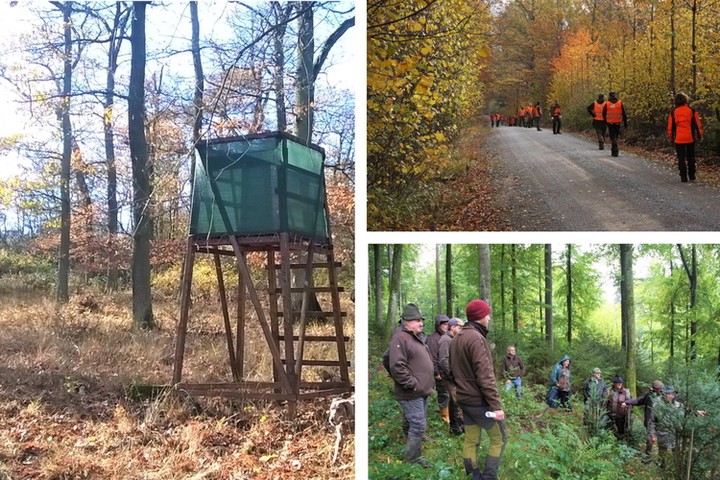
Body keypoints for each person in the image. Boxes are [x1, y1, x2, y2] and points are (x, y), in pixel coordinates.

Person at [450, 300, 507, 480]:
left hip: (464, 400)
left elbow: (450, 371)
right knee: (499, 439)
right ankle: (489, 476)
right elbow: (485, 376)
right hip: (479, 402)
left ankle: (472, 475)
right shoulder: (476, 339)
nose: (489, 318)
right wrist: (496, 406)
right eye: (487, 314)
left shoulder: (457, 337)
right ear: (479, 317)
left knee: (471, 440)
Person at [387, 303, 435, 466]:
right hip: (412, 391)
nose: (420, 323)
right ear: (406, 322)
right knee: (418, 424)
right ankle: (413, 459)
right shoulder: (400, 338)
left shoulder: (416, 338)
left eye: (421, 320)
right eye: (416, 320)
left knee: (412, 422)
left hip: (421, 390)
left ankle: (411, 448)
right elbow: (396, 365)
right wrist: (412, 384)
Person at [624, 380, 665, 460]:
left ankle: (661, 460)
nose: (659, 390)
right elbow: (639, 401)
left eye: (660, 388)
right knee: (649, 440)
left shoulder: (664, 396)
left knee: (662, 442)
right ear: (654, 388)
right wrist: (627, 402)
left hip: (661, 422)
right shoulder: (649, 395)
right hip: (650, 422)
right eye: (657, 388)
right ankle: (647, 457)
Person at [668, 92, 704, 182]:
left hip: (679, 139)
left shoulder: (673, 113)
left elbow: (670, 127)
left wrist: (671, 138)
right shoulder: (691, 111)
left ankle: (683, 177)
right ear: (685, 100)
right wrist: (700, 135)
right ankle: (692, 176)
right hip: (690, 138)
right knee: (691, 157)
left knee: (681, 158)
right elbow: (698, 124)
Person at [438, 317, 464, 435]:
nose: (461, 330)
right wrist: (454, 375)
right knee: (458, 400)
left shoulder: (452, 339)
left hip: (455, 376)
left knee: (454, 402)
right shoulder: (445, 340)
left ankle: (455, 428)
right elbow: (444, 360)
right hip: (450, 378)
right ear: (452, 327)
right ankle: (461, 426)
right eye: (459, 327)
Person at [426, 315, 450, 424]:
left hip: (446, 370)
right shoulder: (433, 338)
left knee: (448, 393)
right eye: (444, 324)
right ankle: (445, 417)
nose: (446, 326)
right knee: (443, 393)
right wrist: (436, 372)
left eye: (447, 324)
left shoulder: (447, 336)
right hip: (439, 371)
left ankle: (449, 412)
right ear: (438, 325)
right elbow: (432, 357)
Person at [603, 91, 627, 157]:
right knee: (616, 135)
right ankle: (615, 151)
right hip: (617, 123)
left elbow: (603, 114)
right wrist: (625, 122)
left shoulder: (607, 104)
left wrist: (605, 122)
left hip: (610, 123)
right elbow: (624, 113)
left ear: (609, 96)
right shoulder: (620, 103)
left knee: (612, 136)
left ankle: (614, 150)